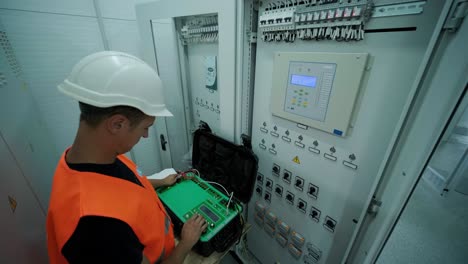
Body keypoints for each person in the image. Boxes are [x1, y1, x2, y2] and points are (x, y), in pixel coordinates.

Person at [46, 51, 207, 264]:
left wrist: (160, 182)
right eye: (145, 127)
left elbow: (120, 189)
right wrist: (186, 242)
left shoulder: (92, 157)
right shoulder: (98, 229)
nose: (146, 135)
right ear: (117, 124)